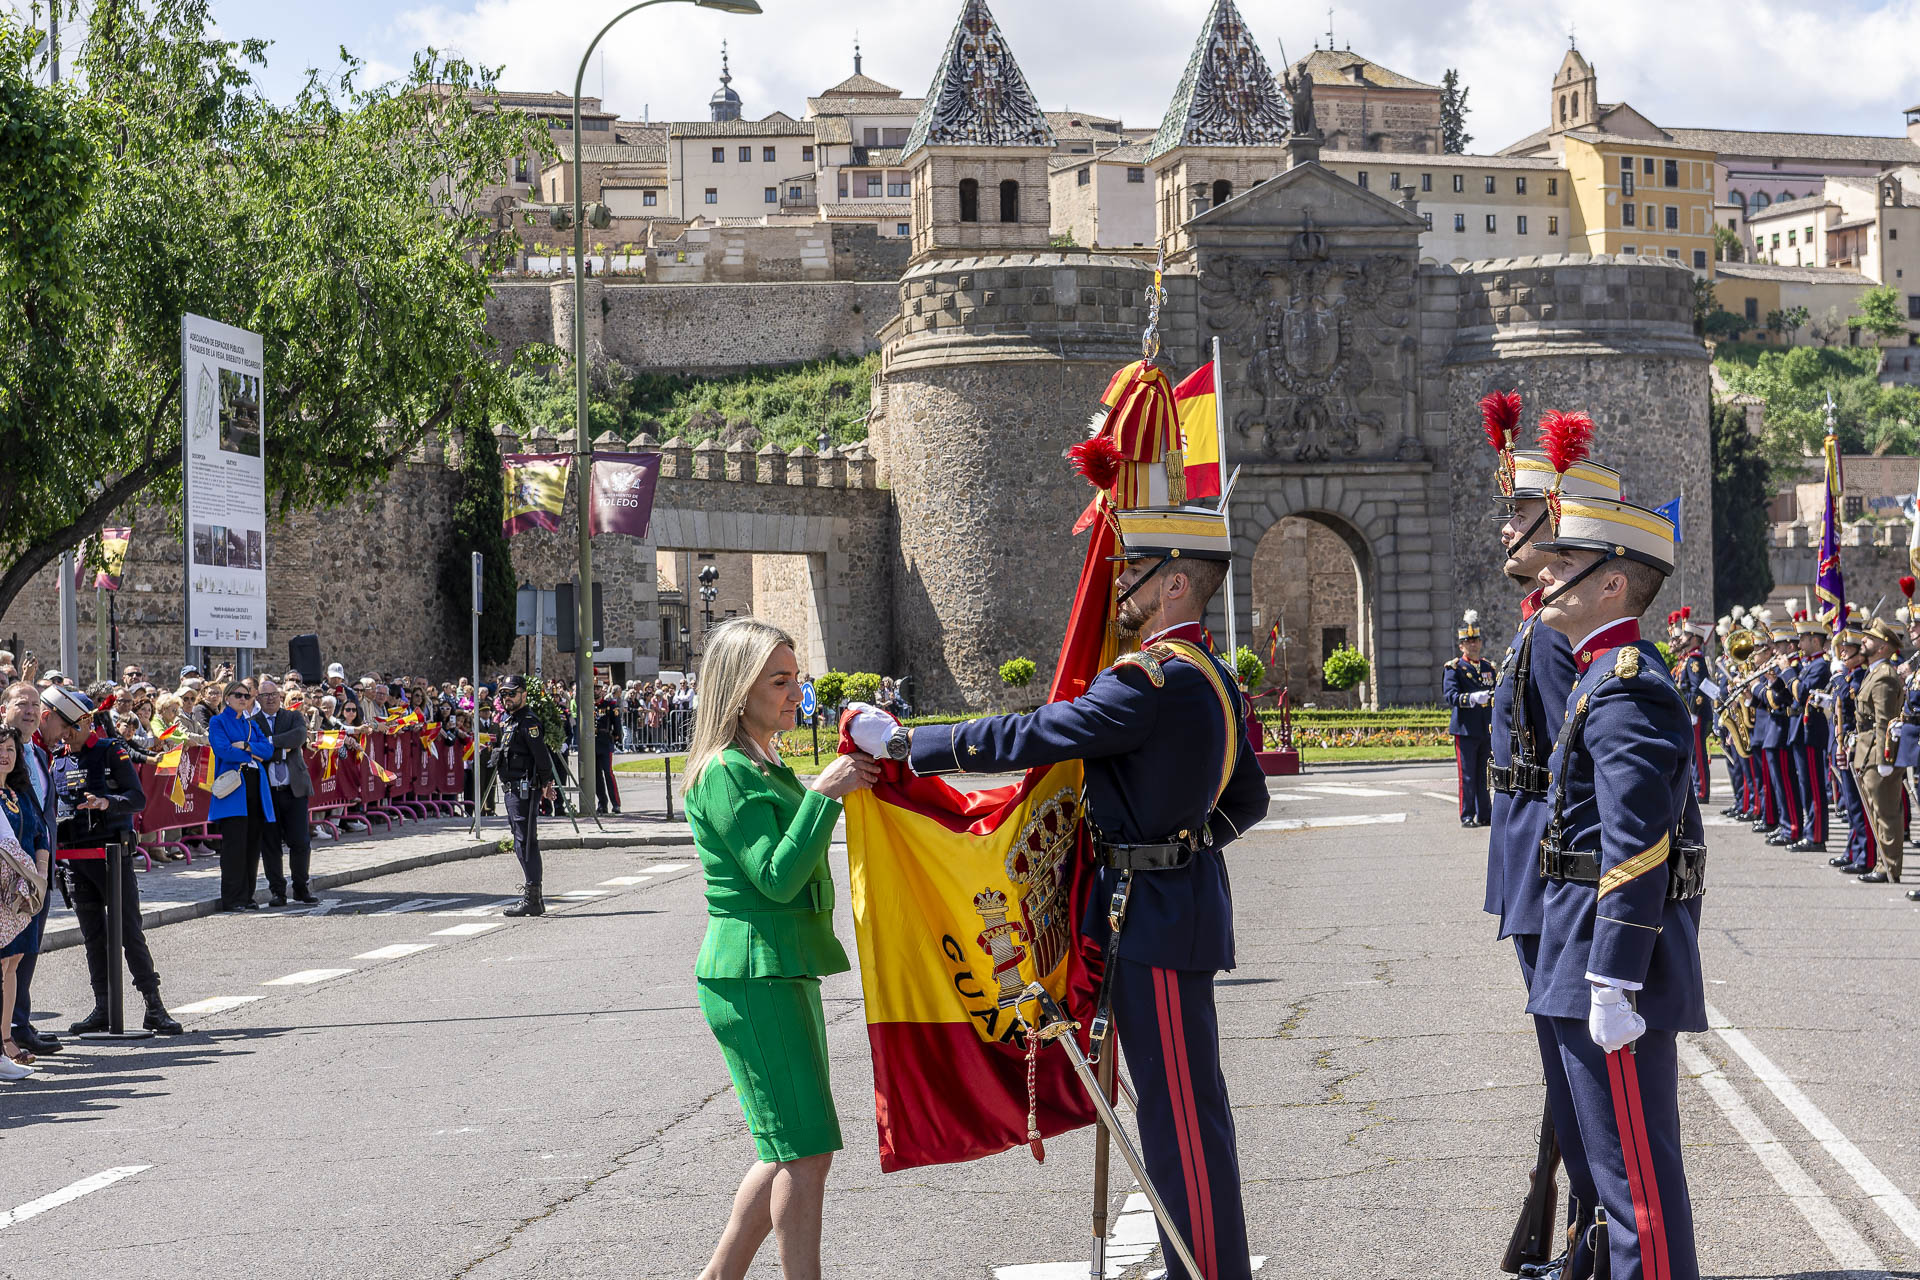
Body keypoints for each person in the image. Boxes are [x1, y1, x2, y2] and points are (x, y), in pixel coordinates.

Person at [862, 502, 1269, 1280]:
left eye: (1138, 573)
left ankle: (1212, 1273)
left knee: (1182, 1121)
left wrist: (911, 745)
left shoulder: (1152, 682)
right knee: (1184, 1113)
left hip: (1152, 923)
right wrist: (1177, 847)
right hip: (1167, 913)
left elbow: (1036, 734)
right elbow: (1247, 801)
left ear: (1176, 583)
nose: (1125, 586)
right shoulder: (1210, 676)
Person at [1530, 486, 1704, 1280]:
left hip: (1607, 966)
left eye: (1564, 562)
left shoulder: (1626, 684)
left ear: (1610, 582)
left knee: (1635, 1189)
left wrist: (1614, 979)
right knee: (1613, 1175)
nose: (1544, 573)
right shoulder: (1598, 673)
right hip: (1580, 948)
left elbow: (1637, 847)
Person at [685, 618, 878, 1280]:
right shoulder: (726, 772)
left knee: (787, 1145)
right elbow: (776, 876)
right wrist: (824, 795)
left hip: (779, 969)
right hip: (753, 973)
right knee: (805, 1148)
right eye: (779, 681)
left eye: (796, 679)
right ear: (739, 690)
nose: (796, 692)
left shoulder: (762, 762)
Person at [1477, 398, 1620, 1278]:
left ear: (1554, 522)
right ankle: (1580, 1231)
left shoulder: (1560, 636)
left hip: (1548, 860)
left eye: (1520, 513)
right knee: (1560, 1066)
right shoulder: (1538, 620)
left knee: (1576, 1071)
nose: (1505, 525)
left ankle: (1595, 1236)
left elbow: (1581, 761)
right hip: (1525, 855)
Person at [39, 685, 182, 1035]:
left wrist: (107, 803)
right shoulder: (57, 759)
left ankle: (154, 1005)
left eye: (74, 725)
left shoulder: (109, 751)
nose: (68, 733)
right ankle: (102, 1007)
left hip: (110, 855)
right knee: (93, 937)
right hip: (74, 860)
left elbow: (136, 797)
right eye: (65, 726)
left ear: (88, 722)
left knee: (129, 932)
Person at [3, 684, 59, 1057]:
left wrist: (40, 874)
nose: (30, 709)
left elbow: (40, 821)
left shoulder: (36, 754)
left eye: (36, 704)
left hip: (32, 880)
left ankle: (17, 1027)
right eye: (22, 702)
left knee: (23, 955)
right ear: (3, 708)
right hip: (5, 880)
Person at [0, 725, 50, 1078]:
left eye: (11, 750)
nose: (5, 755)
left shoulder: (19, 791)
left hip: (23, 892)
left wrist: (41, 876)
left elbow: (38, 832)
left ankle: (5, 1039)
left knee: (13, 962)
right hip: (1, 889)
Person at [208, 681, 276, 911]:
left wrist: (246, 746)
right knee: (234, 847)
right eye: (238, 695)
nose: (243, 699)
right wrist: (250, 754)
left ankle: (247, 896)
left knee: (252, 845)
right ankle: (232, 898)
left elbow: (267, 751)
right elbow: (222, 750)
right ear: (227, 698)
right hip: (234, 789)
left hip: (255, 787)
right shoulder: (218, 722)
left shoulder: (250, 725)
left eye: (247, 696)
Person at [492, 675, 555, 917]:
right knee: (521, 841)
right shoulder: (510, 721)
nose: (507, 698)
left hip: (524, 788)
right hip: (512, 789)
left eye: (512, 693)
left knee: (526, 842)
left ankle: (532, 897)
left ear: (524, 694)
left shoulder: (528, 722)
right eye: (504, 694)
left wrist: (547, 784)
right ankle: (534, 899)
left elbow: (541, 757)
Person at [1852, 618, 1906, 885]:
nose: (1863, 641)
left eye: (1870, 638)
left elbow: (1885, 722)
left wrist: (1885, 758)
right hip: (1867, 753)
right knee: (1876, 812)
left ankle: (1890, 867)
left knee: (1886, 813)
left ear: (1884, 647)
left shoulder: (1884, 676)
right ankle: (1881, 863)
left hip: (1878, 755)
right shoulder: (1874, 672)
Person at [256, 679, 317, 906]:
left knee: (300, 841)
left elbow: (299, 737)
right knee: (270, 844)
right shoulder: (253, 723)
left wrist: (270, 742)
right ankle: (277, 892)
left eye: (274, 694)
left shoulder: (293, 717)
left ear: (280, 696)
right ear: (259, 699)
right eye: (265, 695)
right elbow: (255, 749)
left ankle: (301, 887)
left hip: (295, 790)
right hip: (268, 793)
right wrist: (281, 751)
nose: (270, 698)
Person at [1830, 617, 1878, 876]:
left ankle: (1866, 854)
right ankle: (1854, 849)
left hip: (1856, 745)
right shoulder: (1850, 676)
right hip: (1845, 744)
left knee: (1860, 805)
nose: (1843, 653)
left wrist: (1839, 679)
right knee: (1851, 804)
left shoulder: (1860, 677)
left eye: (1848, 649)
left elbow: (1851, 706)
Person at [1442, 610, 1495, 828]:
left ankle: (1485, 814)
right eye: (1468, 642)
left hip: (1485, 728)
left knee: (1484, 775)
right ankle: (1467, 815)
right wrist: (1472, 698)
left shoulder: (1488, 667)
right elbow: (1450, 696)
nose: (1472, 645)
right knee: (1468, 777)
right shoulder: (1454, 668)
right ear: (1461, 645)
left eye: (1475, 641)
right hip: (1465, 729)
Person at [1787, 611, 1832, 854]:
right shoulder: (1809, 665)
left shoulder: (1820, 665)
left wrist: (1787, 673)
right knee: (1806, 786)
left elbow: (1802, 693)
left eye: (1802, 639)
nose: (1799, 644)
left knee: (1814, 787)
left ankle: (1816, 837)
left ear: (1815, 639)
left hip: (1811, 732)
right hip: (1801, 731)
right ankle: (1809, 833)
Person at [1671, 611, 1714, 805]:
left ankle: (1702, 790)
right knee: (1693, 753)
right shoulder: (1688, 659)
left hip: (1695, 712)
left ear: (1695, 638)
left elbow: (1698, 689)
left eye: (1686, 635)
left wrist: (1694, 713)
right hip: (1689, 710)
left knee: (1698, 753)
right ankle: (1697, 787)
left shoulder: (1695, 660)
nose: (1683, 638)